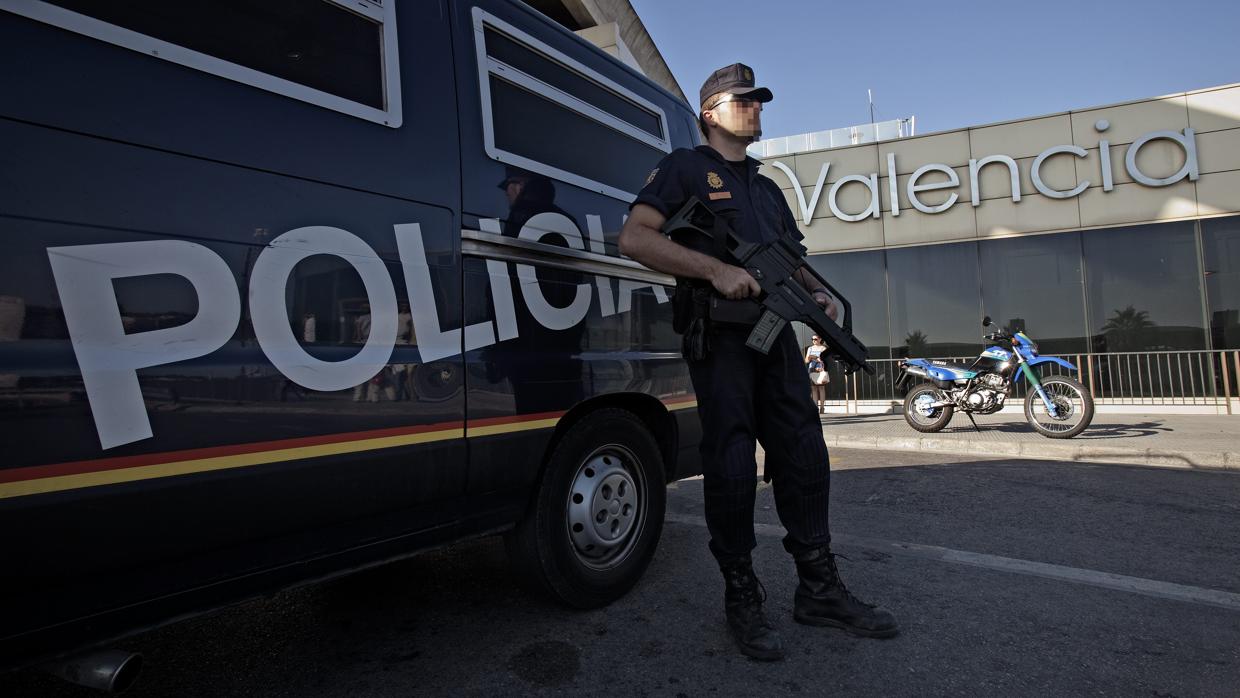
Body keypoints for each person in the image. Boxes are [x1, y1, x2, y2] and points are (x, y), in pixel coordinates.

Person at [618, 63, 898, 661]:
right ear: (711, 112)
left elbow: (790, 260)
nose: (757, 109)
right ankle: (741, 594)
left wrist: (815, 293)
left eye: (760, 101)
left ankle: (818, 589)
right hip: (721, 342)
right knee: (732, 464)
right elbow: (636, 238)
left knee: (805, 455)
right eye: (743, 101)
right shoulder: (684, 169)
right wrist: (716, 271)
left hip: (775, 343)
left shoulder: (767, 189)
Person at [805, 335, 829, 413]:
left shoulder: (823, 348)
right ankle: (815, 407)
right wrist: (810, 357)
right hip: (812, 369)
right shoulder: (810, 348)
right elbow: (806, 361)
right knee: (813, 389)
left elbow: (825, 360)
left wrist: (817, 359)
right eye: (812, 339)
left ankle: (822, 408)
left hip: (820, 369)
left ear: (820, 339)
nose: (813, 340)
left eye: (815, 339)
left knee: (821, 388)